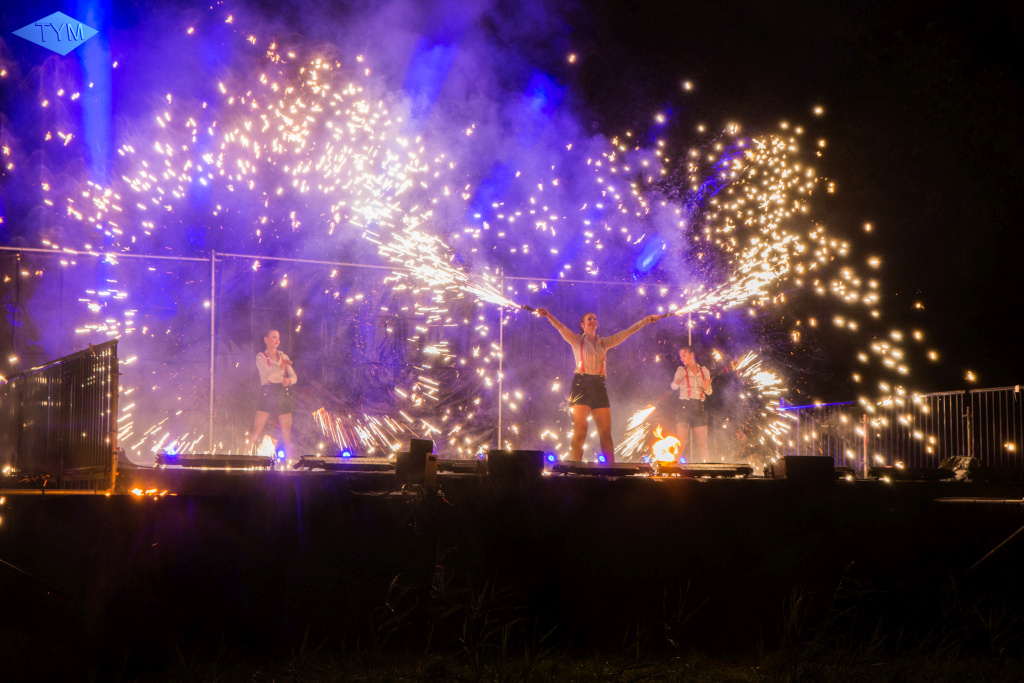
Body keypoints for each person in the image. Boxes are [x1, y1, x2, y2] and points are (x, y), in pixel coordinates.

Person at [536, 308, 663, 463]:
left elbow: (628, 332)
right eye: (589, 318)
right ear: (582, 325)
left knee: (605, 433)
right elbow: (561, 327)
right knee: (580, 431)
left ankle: (611, 471)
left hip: (599, 386)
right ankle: (576, 468)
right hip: (581, 385)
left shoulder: (605, 342)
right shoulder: (576, 340)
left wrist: (646, 320)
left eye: (595, 318)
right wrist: (548, 315)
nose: (593, 321)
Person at [248, 329, 297, 457]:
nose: (277, 340)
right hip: (268, 393)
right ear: (266, 339)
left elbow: (294, 377)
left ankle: (290, 466)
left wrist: (289, 380)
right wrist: (280, 367)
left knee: (287, 434)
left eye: (278, 338)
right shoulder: (261, 357)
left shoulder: (284, 357)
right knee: (257, 431)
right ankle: (245, 458)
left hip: (282, 393)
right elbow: (266, 376)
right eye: (274, 337)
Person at [670, 346, 712, 462]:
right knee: (681, 443)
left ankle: (708, 470)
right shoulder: (681, 370)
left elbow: (709, 392)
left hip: (699, 408)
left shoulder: (704, 371)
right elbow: (674, 386)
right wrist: (676, 382)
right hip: (684, 408)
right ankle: (673, 470)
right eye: (680, 356)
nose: (682, 358)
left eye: (684, 355)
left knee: (703, 444)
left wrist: (705, 388)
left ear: (692, 355)